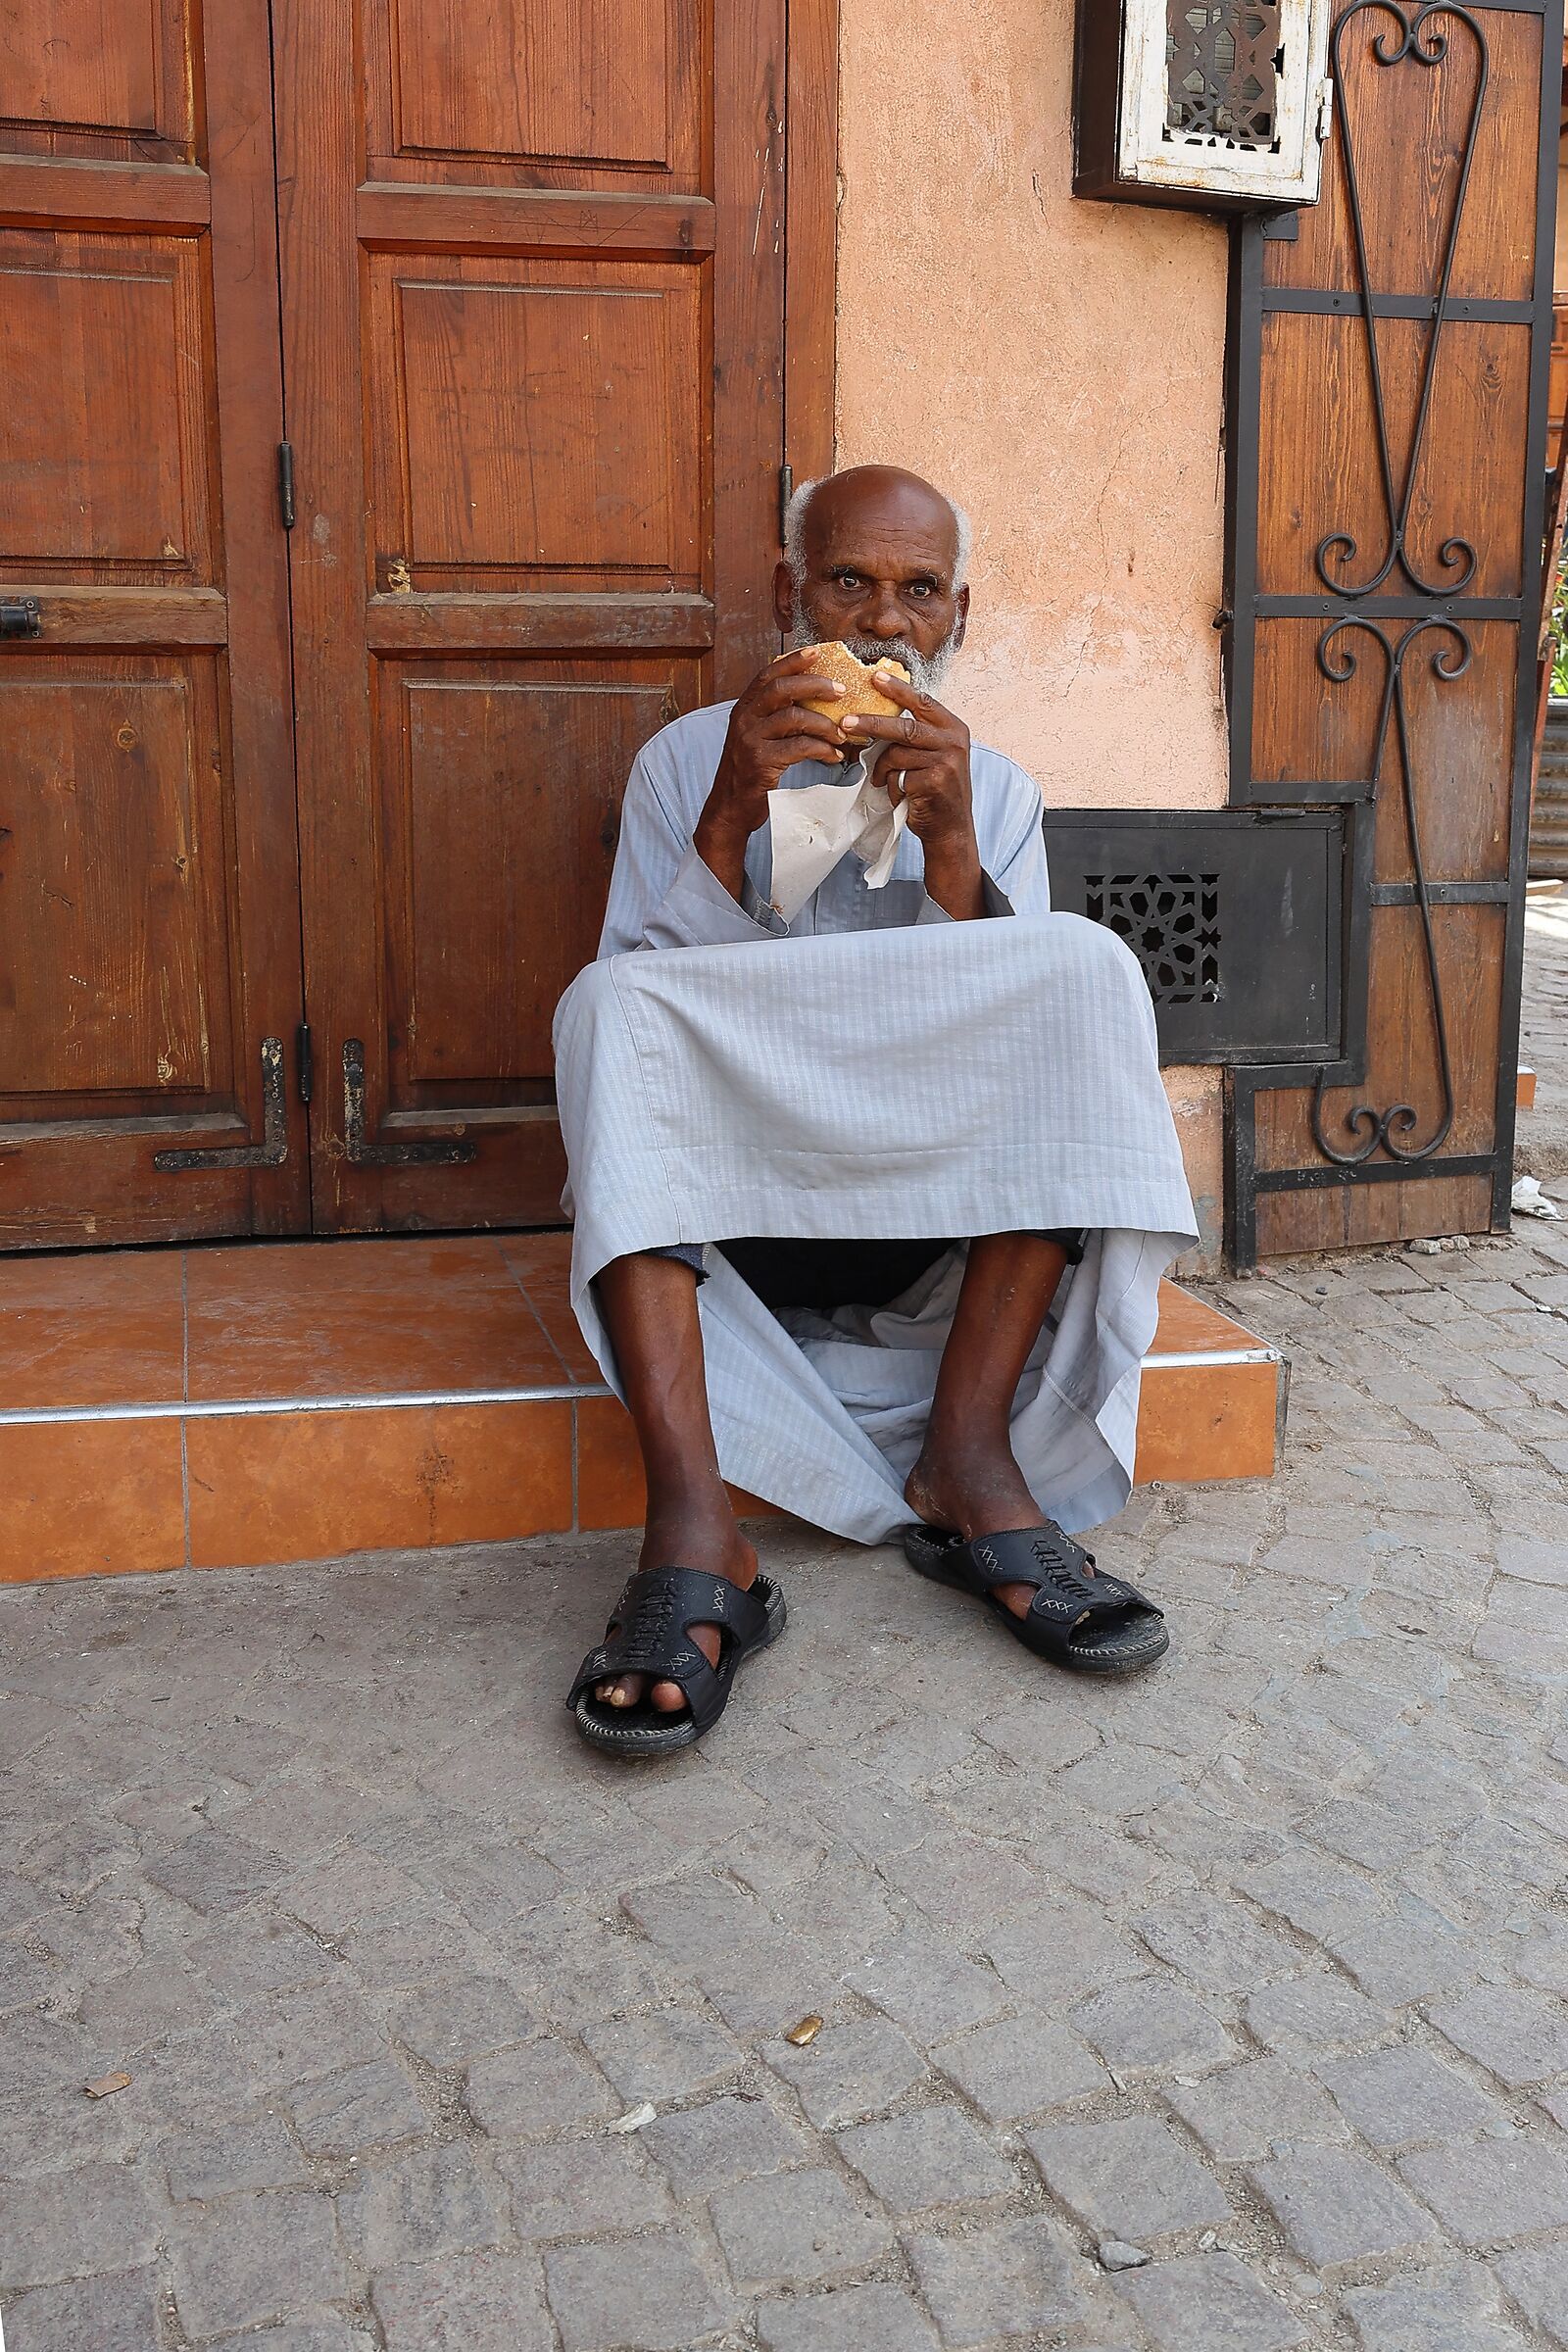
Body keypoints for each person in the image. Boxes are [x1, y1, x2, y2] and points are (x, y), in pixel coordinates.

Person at [554, 466, 1198, 1756]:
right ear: (793, 593)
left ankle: (971, 1460)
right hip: (734, 1209)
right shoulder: (686, 760)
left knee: (1081, 966)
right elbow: (647, 1009)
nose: (886, 620)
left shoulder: (993, 785)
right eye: (850, 580)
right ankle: (696, 1531)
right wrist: (734, 807)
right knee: (601, 1006)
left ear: (960, 613)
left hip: (927, 1210)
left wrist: (951, 845)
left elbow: (1017, 1030)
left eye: (920, 591)